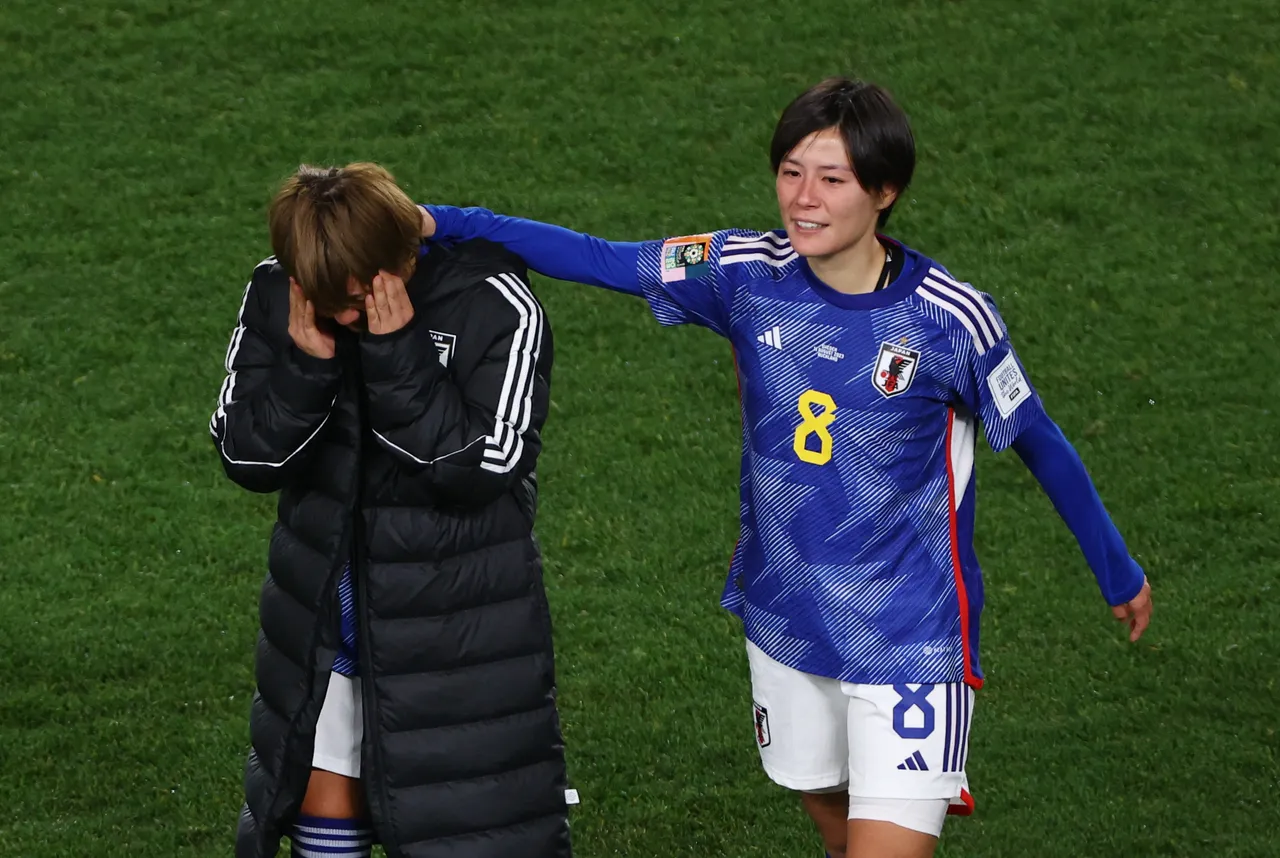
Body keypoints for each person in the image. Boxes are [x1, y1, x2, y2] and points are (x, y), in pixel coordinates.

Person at [416, 78, 1153, 858]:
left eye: (832, 179)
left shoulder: (950, 320)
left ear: (885, 191)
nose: (803, 198)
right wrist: (439, 223)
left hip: (908, 638)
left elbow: (1037, 436)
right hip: (785, 620)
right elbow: (600, 258)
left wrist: (1116, 568)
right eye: (791, 172)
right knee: (832, 819)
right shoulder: (741, 271)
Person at [210, 162, 572, 858]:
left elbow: (486, 465)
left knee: (468, 832)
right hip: (322, 625)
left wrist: (396, 353)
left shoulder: (493, 303)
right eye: (324, 302)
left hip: (454, 636)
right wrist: (306, 368)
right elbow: (246, 456)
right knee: (320, 815)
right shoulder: (280, 291)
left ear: (398, 258)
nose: (342, 318)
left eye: (353, 300)